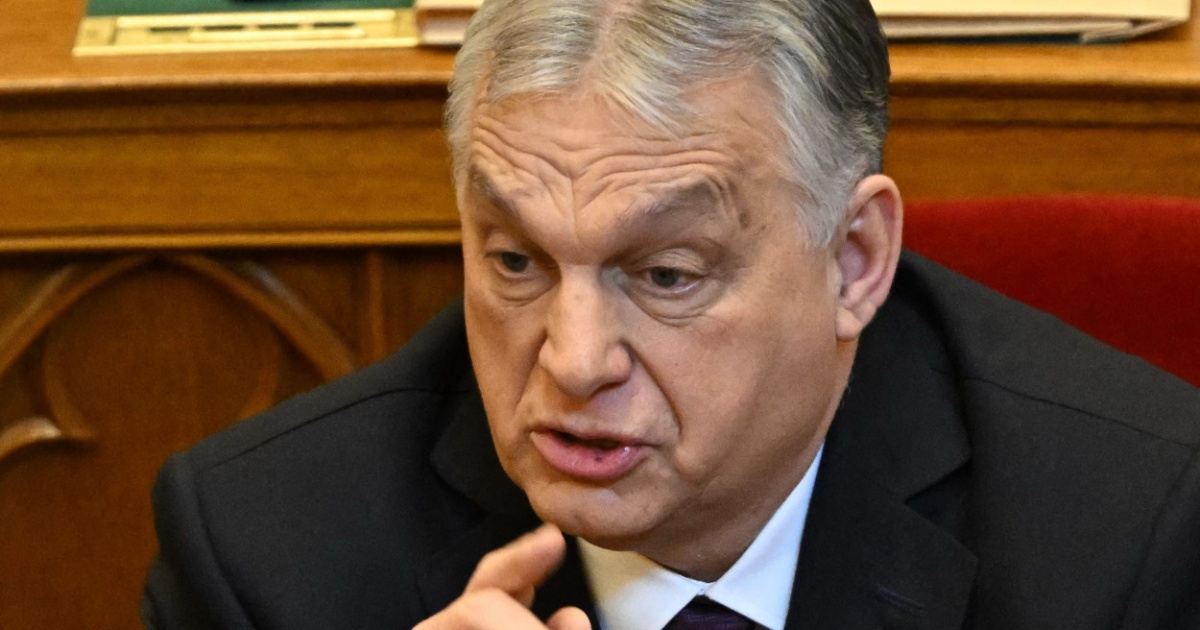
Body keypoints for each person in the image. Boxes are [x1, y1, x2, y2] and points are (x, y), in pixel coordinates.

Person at [141, 1, 1200, 628]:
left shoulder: (1130, 539)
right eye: (515, 262)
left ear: (854, 262)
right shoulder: (265, 555)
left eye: (666, 275)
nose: (573, 361)